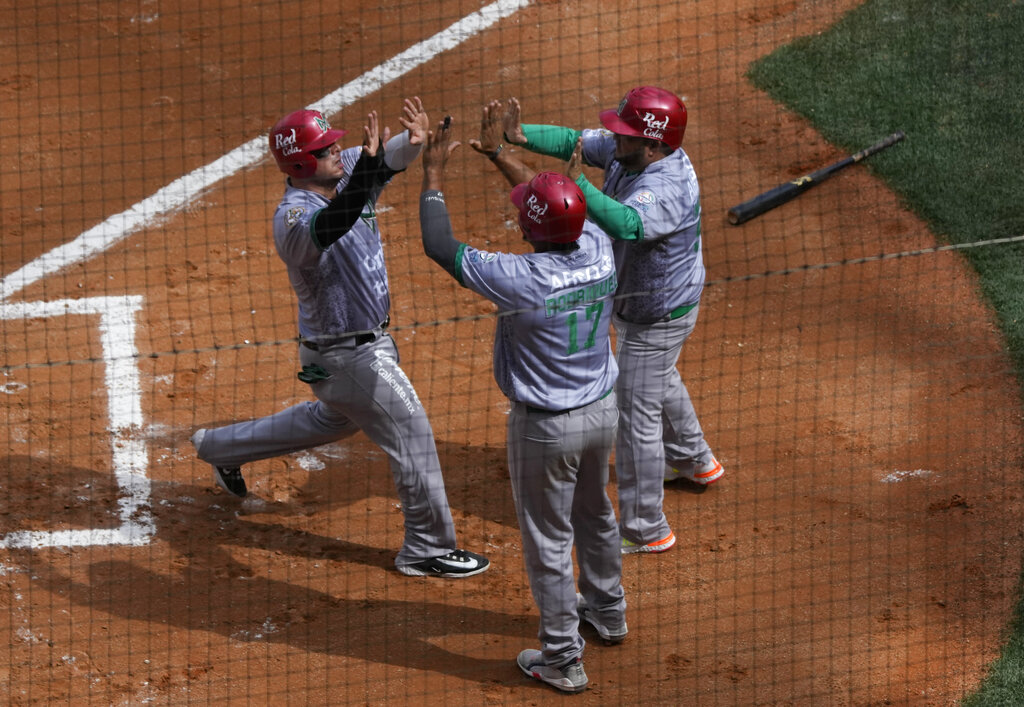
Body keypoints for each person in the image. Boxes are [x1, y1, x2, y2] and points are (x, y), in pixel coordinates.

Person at [190, 99, 489, 579]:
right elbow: (334, 224)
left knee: (328, 422)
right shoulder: (292, 217)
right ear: (304, 162)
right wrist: (369, 170)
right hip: (346, 355)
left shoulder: (341, 169)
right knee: (411, 430)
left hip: (358, 351)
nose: (338, 151)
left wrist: (410, 143)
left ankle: (219, 447)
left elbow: (388, 158)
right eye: (327, 147)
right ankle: (426, 549)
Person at [418, 117, 625, 694]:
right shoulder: (600, 245)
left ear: (530, 228)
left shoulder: (521, 276)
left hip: (546, 431)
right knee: (596, 515)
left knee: (549, 540)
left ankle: (561, 656)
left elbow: (440, 246)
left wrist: (433, 173)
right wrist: (498, 157)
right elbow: (552, 202)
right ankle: (608, 611)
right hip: (601, 413)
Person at [485, 88, 722, 555]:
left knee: (635, 416)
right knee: (657, 380)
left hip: (660, 313)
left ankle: (645, 527)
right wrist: (519, 135)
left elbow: (628, 225)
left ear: (654, 146)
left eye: (626, 135)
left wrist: (582, 187)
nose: (615, 139)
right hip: (645, 305)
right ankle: (695, 461)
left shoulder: (667, 185)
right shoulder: (630, 152)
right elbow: (575, 140)